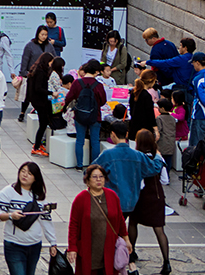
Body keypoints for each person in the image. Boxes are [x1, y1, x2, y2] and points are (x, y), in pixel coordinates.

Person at [67, 164, 132, 275]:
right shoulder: (81, 199)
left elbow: (120, 219)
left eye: (101, 177)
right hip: (89, 249)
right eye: (94, 177)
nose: (98, 180)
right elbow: (74, 225)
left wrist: (126, 239)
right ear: (87, 180)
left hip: (109, 248)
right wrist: (72, 248)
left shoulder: (112, 196)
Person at [0, 162, 58, 275]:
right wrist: (10, 215)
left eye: (29, 173)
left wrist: (52, 242)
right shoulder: (8, 192)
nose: (25, 175)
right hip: (14, 245)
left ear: (35, 178)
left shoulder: (39, 196)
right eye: (23, 171)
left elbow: (46, 220)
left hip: (34, 245)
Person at [128, 129, 172, 275]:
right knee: (159, 230)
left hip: (140, 197)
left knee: (133, 223)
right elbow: (165, 180)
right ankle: (166, 262)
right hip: (156, 196)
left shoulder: (136, 157)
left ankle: (131, 253)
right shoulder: (158, 157)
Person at [66, 59, 108, 169]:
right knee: (95, 141)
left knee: (80, 140)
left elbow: (69, 97)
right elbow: (103, 101)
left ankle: (79, 165)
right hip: (95, 115)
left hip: (80, 114)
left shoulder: (77, 83)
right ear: (97, 72)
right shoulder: (98, 85)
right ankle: (94, 166)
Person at [18, 27, 54, 120]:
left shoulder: (49, 46)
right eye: (42, 34)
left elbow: (54, 58)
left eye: (45, 35)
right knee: (28, 94)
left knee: (41, 93)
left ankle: (37, 110)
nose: (44, 37)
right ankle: (22, 113)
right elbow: (25, 59)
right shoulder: (30, 45)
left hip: (45, 75)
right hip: (32, 74)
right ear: (38, 34)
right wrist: (24, 72)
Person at [27, 53, 56, 156]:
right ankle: (36, 147)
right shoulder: (40, 72)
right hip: (40, 101)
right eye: (50, 62)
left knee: (43, 123)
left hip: (36, 100)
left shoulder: (35, 69)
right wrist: (51, 93)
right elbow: (38, 88)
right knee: (43, 124)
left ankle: (38, 143)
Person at [129, 69, 159, 139]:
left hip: (134, 126)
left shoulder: (134, 91)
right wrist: (156, 129)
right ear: (151, 81)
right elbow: (150, 114)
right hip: (145, 129)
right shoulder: (146, 96)